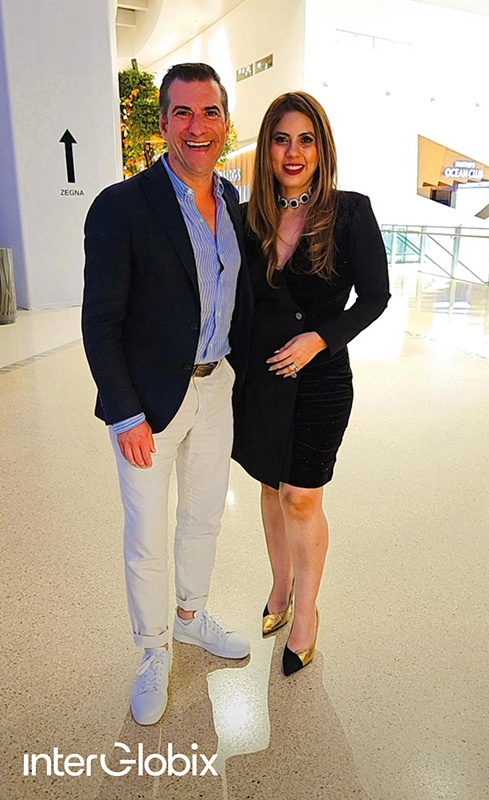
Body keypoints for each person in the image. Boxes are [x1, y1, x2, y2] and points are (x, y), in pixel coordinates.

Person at [82, 63, 253, 725]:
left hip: (216, 387)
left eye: (209, 112)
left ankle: (190, 618)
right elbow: (100, 321)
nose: (197, 126)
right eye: (183, 112)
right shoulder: (121, 206)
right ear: (162, 123)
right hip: (148, 404)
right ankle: (153, 650)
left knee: (203, 517)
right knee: (148, 534)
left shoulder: (233, 203)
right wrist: (124, 412)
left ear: (225, 121)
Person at [233, 92, 390, 675]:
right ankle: (280, 586)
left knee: (301, 496)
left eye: (305, 140)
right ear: (267, 149)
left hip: (321, 379)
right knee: (269, 488)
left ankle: (307, 612)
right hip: (262, 382)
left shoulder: (350, 212)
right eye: (281, 139)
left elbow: (375, 297)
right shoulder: (248, 217)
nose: (293, 152)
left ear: (322, 148)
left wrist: (320, 339)